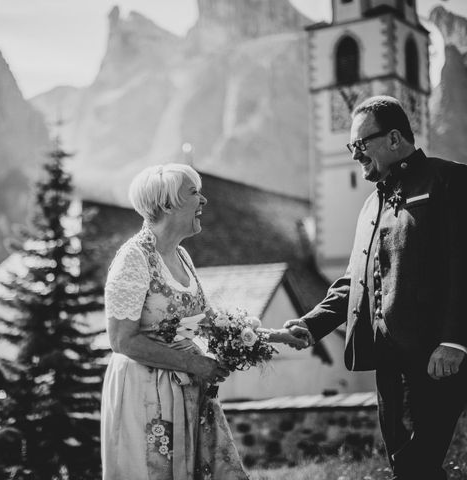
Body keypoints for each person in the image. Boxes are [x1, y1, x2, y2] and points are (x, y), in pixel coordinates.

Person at [285, 96, 467, 480]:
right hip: (388, 363)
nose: (355, 155)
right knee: (407, 465)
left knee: (417, 464)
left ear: (395, 138)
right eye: (351, 147)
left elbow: (462, 264)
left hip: (437, 359)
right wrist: (312, 324)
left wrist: (455, 341)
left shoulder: (449, 179)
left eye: (360, 144)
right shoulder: (369, 205)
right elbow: (355, 283)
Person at [101, 163, 307, 480]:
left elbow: (210, 324)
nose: (204, 201)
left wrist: (279, 335)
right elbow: (121, 340)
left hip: (188, 389)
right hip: (145, 395)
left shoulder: (181, 256)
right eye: (194, 192)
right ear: (167, 204)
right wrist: (195, 364)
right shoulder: (133, 259)